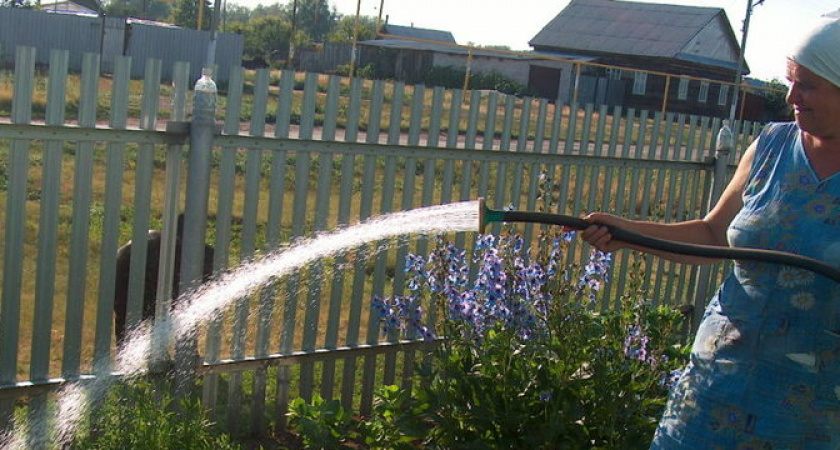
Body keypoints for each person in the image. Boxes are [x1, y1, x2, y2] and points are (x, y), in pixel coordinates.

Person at [581, 16, 840, 449]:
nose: (791, 96)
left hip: (811, 409)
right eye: (790, 81)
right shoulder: (771, 148)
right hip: (715, 387)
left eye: (808, 85)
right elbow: (714, 235)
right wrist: (628, 233)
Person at [113, 214, 215, 344]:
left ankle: (127, 358)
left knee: (126, 324)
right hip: (146, 290)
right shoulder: (199, 253)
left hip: (125, 290)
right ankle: (180, 355)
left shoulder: (152, 242)